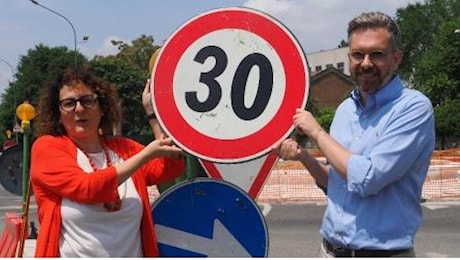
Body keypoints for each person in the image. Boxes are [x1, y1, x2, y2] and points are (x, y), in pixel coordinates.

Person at [274, 11, 435, 257]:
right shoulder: (345, 110)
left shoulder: (413, 108)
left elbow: (367, 179)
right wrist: (304, 156)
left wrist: (317, 132)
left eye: (377, 54)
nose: (366, 63)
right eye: (358, 54)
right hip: (329, 251)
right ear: (349, 57)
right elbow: (337, 182)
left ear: (396, 58)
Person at [30, 65, 186, 257]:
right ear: (59, 115)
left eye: (87, 101)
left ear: (102, 108)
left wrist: (153, 114)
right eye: (69, 103)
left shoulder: (124, 149)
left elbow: (170, 167)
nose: (79, 109)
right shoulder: (47, 148)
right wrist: (145, 155)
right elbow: (87, 188)